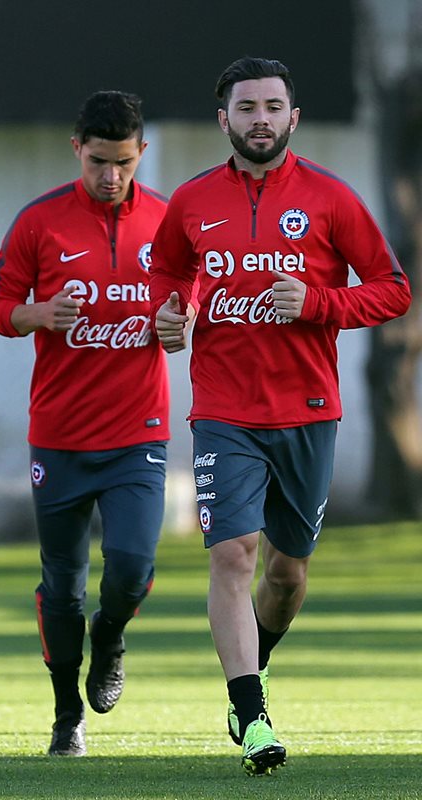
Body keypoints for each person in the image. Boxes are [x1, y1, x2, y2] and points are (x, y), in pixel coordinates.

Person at [150, 56, 410, 776]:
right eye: (246, 107)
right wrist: (171, 312)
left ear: (292, 119)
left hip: (308, 411)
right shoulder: (193, 200)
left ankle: (251, 669)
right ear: (223, 119)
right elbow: (170, 271)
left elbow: (392, 291)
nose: (259, 119)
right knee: (233, 554)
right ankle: (253, 712)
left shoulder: (330, 199)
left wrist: (320, 303)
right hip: (224, 412)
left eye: (272, 107)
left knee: (288, 574)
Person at [0, 91, 170, 757]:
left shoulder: (167, 222)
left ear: (140, 153)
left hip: (138, 434)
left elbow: (198, 288)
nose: (112, 177)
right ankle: (67, 717)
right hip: (59, 436)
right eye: (99, 162)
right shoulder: (40, 222)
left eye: (124, 163)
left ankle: (112, 633)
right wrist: (38, 315)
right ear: (77, 151)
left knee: (133, 568)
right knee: (61, 586)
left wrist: (184, 319)